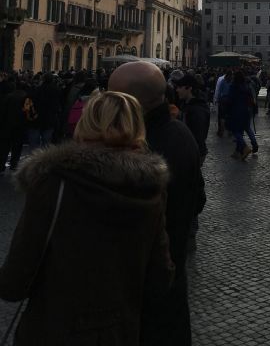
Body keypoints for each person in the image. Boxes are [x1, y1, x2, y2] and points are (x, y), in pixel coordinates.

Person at [0, 91, 174, 345]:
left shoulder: (54, 183)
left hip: (54, 328)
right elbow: (160, 278)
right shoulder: (150, 188)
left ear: (84, 122)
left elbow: (14, 283)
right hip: (119, 332)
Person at [108, 62, 205, 346]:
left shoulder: (146, 146)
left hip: (143, 285)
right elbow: (199, 199)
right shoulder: (179, 133)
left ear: (128, 102)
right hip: (170, 278)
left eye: (111, 95)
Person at [174, 74, 210, 164]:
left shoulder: (197, 110)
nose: (177, 90)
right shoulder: (185, 104)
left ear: (189, 88)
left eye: (179, 87)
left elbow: (198, 137)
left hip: (192, 153)